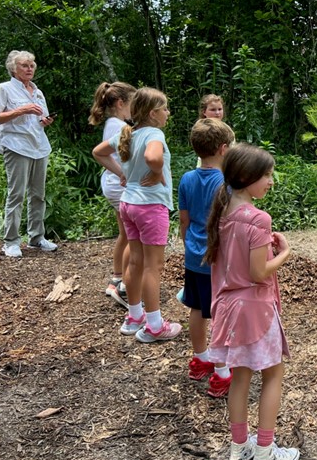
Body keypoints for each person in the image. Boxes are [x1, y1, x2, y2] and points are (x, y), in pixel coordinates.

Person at [202, 144, 300, 460]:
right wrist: (284, 252)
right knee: (273, 375)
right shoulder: (258, 218)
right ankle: (264, 454)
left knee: (240, 377)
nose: (271, 181)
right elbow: (259, 272)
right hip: (255, 308)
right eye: (267, 175)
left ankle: (238, 450)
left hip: (229, 310)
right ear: (247, 178)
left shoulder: (222, 213)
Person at [110, 88, 179, 342]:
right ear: (153, 113)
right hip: (150, 206)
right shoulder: (154, 133)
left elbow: (99, 151)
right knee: (154, 266)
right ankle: (154, 325)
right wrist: (158, 171)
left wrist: (122, 173)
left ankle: (134, 315)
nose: (167, 113)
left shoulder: (130, 133)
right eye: (165, 108)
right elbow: (153, 156)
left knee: (136, 262)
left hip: (128, 204)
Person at [180, 118, 234, 398]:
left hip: (193, 257)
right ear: (223, 149)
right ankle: (223, 374)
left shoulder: (187, 179)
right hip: (218, 259)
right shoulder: (226, 183)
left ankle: (200, 359)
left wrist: (189, 247)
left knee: (198, 309)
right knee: (221, 315)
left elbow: (184, 221)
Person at [0, 50, 54, 258]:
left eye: (32, 65)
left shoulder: (38, 92)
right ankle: (11, 241)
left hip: (39, 146)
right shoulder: (4, 89)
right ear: (13, 69)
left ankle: (37, 237)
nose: (29, 69)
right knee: (16, 193)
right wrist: (21, 110)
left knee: (38, 194)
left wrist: (46, 121)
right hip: (16, 145)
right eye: (25, 65)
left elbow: (40, 119)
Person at [88, 82, 137, 306]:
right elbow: (104, 154)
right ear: (121, 103)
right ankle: (125, 283)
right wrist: (122, 174)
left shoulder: (113, 123)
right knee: (131, 234)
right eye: (132, 103)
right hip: (119, 187)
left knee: (124, 234)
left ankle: (116, 279)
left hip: (114, 184)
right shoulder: (119, 126)